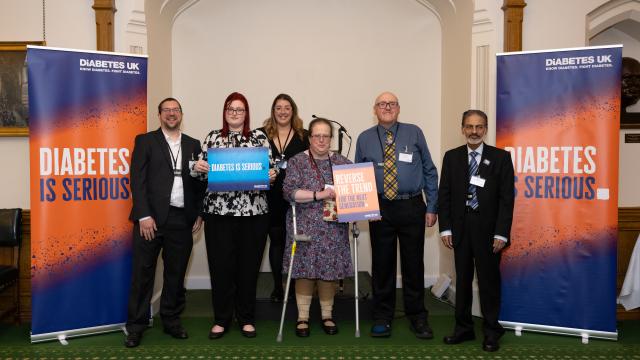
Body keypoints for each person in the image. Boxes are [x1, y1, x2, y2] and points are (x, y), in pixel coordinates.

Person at [192, 92, 277, 339]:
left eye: (240, 109)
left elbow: (271, 171)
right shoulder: (212, 137)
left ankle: (247, 318)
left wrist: (272, 175)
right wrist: (198, 168)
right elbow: (199, 173)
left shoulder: (260, 137)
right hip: (219, 215)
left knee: (248, 268)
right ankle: (221, 319)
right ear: (225, 111)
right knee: (221, 268)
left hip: (254, 214)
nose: (235, 113)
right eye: (231, 108)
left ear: (246, 113)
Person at [354, 91, 438, 339]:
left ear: (399, 108)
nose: (387, 107)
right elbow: (359, 175)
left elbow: (429, 170)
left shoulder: (414, 132)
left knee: (413, 265)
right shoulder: (364, 138)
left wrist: (432, 205)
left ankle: (417, 317)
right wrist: (364, 208)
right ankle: (382, 317)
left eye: (391, 103)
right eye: (382, 104)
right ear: (375, 109)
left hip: (412, 206)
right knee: (382, 265)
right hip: (380, 209)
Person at [125, 97, 206, 348]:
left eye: (176, 110)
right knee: (143, 274)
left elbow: (200, 182)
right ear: (159, 115)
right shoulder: (145, 141)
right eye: (167, 110)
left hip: (182, 218)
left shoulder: (194, 144)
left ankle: (171, 320)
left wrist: (199, 213)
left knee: (175, 274)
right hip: (150, 220)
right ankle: (136, 326)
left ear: (181, 114)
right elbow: (136, 181)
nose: (172, 114)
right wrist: (144, 216)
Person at [438, 110, 515, 352]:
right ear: (462, 128)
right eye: (469, 126)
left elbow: (506, 200)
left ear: (486, 129)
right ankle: (463, 328)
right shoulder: (451, 157)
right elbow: (445, 195)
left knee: (488, 282)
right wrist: (445, 228)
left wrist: (501, 233)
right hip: (460, 230)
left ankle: (492, 331)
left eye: (479, 127)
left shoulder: (500, 158)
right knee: (462, 281)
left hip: (489, 232)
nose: (474, 131)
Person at [282, 117, 353, 337]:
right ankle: (302, 317)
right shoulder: (297, 162)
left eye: (325, 135)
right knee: (304, 269)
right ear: (310, 138)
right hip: (304, 223)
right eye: (317, 135)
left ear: (331, 138)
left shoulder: (343, 163)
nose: (321, 140)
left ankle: (327, 315)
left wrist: (367, 210)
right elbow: (289, 192)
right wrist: (318, 195)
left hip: (333, 227)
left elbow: (357, 193)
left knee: (328, 270)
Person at [260, 94, 309, 302]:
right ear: (273, 111)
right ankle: (279, 286)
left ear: (293, 110)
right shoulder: (261, 135)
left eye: (286, 107)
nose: (282, 111)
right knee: (277, 241)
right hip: (269, 196)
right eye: (278, 108)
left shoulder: (304, 136)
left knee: (297, 242)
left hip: (296, 197)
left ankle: (298, 284)